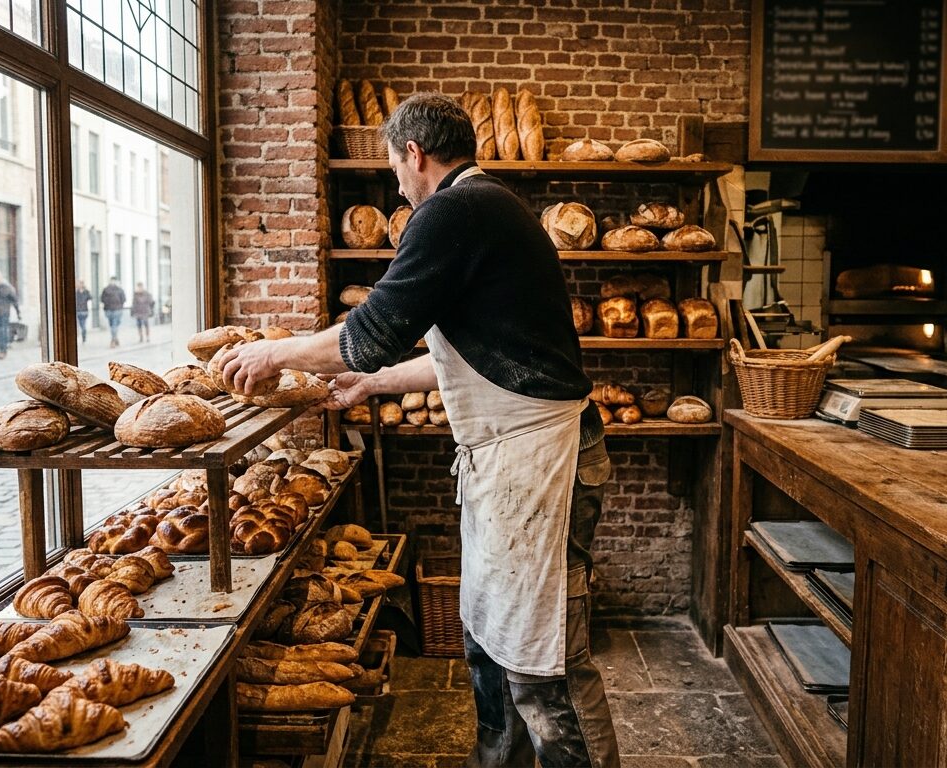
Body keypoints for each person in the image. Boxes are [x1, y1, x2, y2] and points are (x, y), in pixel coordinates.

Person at [216, 93, 619, 767]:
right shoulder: (486, 209)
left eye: (394, 166)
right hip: (515, 461)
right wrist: (372, 386)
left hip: (541, 461)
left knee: (546, 661)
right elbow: (459, 356)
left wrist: (274, 352)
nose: (395, 184)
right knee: (492, 643)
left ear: (414, 153)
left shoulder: (452, 211)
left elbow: (372, 332)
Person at [100, 276, 126, 348]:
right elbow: (123, 299)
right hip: (112, 310)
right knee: (113, 325)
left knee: (113, 325)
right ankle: (114, 339)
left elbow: (123, 299)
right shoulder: (109, 290)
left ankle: (113, 339)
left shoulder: (119, 290)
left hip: (114, 309)